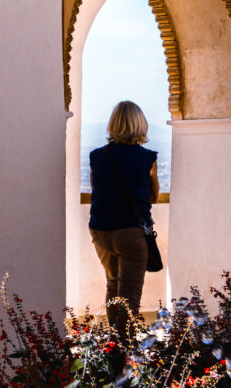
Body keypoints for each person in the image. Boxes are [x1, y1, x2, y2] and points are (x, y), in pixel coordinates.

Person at [89, 100, 159, 333]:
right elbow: (153, 196)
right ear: (140, 124)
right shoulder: (148, 158)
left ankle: (112, 344)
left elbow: (95, 190)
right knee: (129, 295)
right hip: (131, 233)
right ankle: (124, 350)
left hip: (101, 231)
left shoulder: (97, 156)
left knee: (112, 285)